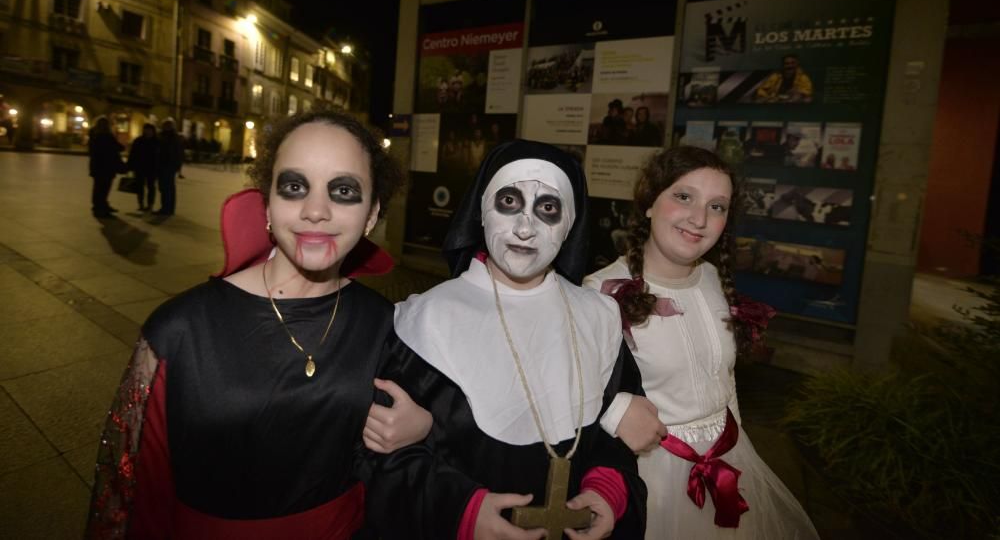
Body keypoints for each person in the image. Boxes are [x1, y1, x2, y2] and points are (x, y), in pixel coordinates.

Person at [86, 112, 431, 539]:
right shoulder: (180, 330)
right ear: (266, 203)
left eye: (343, 190)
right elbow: (134, 492)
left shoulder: (384, 325)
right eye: (294, 186)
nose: (315, 210)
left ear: (372, 212)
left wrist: (424, 429)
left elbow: (402, 472)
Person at [366, 140, 646, 540]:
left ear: (569, 226)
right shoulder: (426, 321)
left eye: (548, 208)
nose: (525, 227)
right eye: (509, 201)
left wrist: (607, 490)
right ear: (481, 212)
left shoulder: (597, 318)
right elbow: (387, 457)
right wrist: (461, 510)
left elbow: (614, 434)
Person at [585, 146, 819, 539]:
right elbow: (574, 395)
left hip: (729, 463)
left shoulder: (712, 278)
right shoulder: (600, 293)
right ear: (648, 202)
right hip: (652, 476)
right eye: (683, 196)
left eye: (717, 206)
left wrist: (741, 453)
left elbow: (723, 383)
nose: (699, 218)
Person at [88, 115, 125, 218]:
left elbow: (92, 152)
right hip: (107, 167)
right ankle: (102, 208)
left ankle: (98, 206)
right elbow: (120, 148)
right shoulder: (107, 136)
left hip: (96, 166)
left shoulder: (93, 136)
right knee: (104, 188)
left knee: (98, 187)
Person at [154, 119, 184, 216]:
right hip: (164, 165)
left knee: (167, 187)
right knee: (166, 187)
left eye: (168, 125)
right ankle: (169, 208)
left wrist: (177, 166)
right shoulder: (164, 136)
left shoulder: (173, 137)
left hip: (168, 165)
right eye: (165, 125)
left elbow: (178, 152)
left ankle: (166, 208)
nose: (166, 127)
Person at [127, 123, 159, 211]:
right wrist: (130, 166)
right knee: (140, 187)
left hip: (152, 168)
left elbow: (161, 156)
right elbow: (132, 154)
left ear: (153, 131)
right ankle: (140, 204)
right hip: (139, 167)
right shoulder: (138, 141)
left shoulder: (157, 141)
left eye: (149, 130)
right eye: (146, 129)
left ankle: (150, 205)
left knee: (151, 187)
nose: (148, 131)